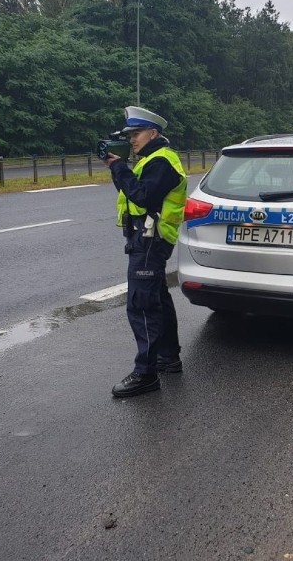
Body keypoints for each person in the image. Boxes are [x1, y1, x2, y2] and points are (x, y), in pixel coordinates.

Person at [102, 106, 188, 398]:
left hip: (151, 239)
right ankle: (168, 358)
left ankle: (146, 374)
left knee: (142, 305)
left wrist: (119, 169)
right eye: (129, 135)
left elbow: (141, 195)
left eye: (136, 134)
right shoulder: (151, 161)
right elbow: (133, 196)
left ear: (153, 133)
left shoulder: (161, 161)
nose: (131, 140)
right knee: (158, 299)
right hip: (147, 238)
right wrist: (118, 169)